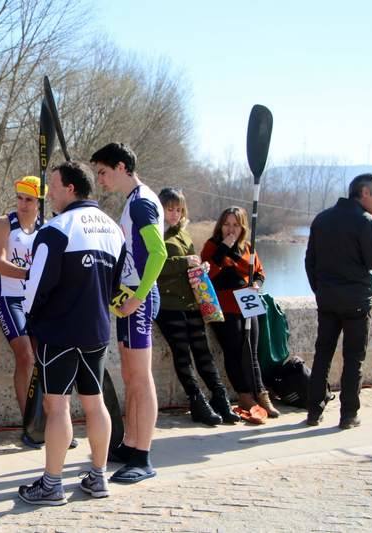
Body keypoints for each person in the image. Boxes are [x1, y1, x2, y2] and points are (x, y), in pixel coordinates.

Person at [17, 160, 126, 505]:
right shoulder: (113, 228)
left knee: (58, 405)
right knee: (95, 404)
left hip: (59, 331)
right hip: (97, 329)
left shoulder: (55, 229)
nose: (48, 194)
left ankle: (52, 484)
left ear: (71, 188)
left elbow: (34, 288)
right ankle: (98, 476)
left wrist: (31, 322)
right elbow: (120, 283)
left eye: (53, 186)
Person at [90, 143, 167, 484]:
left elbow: (159, 253)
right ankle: (132, 443)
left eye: (103, 172)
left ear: (122, 167)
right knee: (132, 377)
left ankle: (143, 455)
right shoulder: (135, 201)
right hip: (131, 296)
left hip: (138, 297)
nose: (101, 180)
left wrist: (137, 296)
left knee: (139, 377)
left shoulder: (142, 203)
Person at [305, 173, 372, 429]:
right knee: (354, 358)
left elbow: (310, 262)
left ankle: (313, 412)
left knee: (323, 355)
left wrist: (320, 290)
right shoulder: (366, 221)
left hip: (327, 299)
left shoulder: (322, 218)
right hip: (356, 301)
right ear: (364, 192)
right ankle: (349, 415)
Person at [154, 188, 240, 426]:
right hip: (168, 304)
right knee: (182, 354)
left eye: (179, 209)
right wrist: (185, 262)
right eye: (170, 209)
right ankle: (197, 401)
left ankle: (220, 397)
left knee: (203, 352)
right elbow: (153, 266)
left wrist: (200, 267)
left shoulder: (184, 234)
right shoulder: (155, 233)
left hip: (191, 301)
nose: (174, 214)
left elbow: (190, 264)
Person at [200, 206, 280, 419]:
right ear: (220, 225)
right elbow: (207, 272)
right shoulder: (212, 246)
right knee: (233, 349)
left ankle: (262, 394)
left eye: (235, 225)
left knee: (251, 349)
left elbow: (260, 272)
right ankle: (244, 394)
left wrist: (256, 284)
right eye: (227, 224)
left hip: (248, 300)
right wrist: (224, 248)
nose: (230, 229)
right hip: (224, 303)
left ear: (242, 226)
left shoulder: (248, 248)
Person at [0, 176, 43, 446]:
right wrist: (34, 274)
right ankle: (29, 422)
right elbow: (0, 264)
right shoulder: (3, 224)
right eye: (19, 198)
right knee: (26, 356)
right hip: (8, 298)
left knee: (46, 358)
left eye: (28, 199)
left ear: (39, 202)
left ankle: (51, 422)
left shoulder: (46, 228)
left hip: (35, 300)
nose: (22, 204)